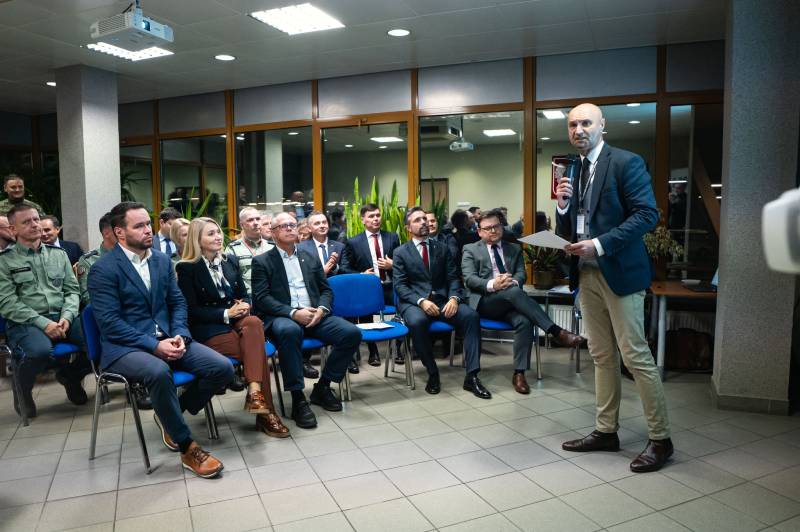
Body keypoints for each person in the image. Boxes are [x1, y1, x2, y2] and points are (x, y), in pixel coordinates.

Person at [555, 103, 672, 473]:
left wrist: (600, 244)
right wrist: (562, 207)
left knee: (635, 356)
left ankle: (661, 439)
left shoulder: (625, 162)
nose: (578, 130)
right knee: (602, 355)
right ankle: (606, 431)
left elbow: (647, 215)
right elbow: (572, 227)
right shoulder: (574, 170)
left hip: (620, 271)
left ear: (602, 125)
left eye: (586, 123)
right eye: (573, 124)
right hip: (586, 272)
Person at [88, 201, 234, 479]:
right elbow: (110, 324)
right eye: (139, 226)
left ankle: (169, 415)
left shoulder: (161, 260)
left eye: (148, 224)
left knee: (222, 368)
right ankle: (187, 446)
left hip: (169, 337)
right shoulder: (103, 269)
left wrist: (180, 334)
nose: (148, 230)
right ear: (119, 232)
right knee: (158, 371)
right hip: (125, 348)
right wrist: (154, 345)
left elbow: (177, 302)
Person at [176, 218, 289, 438]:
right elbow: (190, 311)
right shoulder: (186, 268)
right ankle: (265, 414)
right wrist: (226, 313)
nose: (218, 237)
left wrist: (244, 304)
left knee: (254, 322)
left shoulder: (229, 261)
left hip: (237, 322)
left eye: (218, 232)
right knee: (255, 352)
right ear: (197, 239)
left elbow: (243, 294)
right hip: (208, 328)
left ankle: (255, 393)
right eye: (211, 234)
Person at [251, 212, 361, 429]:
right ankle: (298, 398)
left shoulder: (309, 257)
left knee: (351, 333)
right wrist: (293, 313)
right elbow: (262, 299)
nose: (290, 228)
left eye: (292, 224)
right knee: (289, 331)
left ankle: (323, 387)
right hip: (283, 317)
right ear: (273, 232)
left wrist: (321, 309)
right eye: (284, 226)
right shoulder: (262, 261)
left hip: (314, 315)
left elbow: (325, 290)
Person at [462, 209, 584, 394]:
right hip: (485, 302)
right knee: (512, 291)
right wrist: (494, 284)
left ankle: (519, 373)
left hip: (511, 301)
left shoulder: (514, 248)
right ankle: (556, 331)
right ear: (479, 231)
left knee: (524, 321)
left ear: (501, 227)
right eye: (487, 228)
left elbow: (521, 274)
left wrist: (512, 281)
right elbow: (469, 279)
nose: (493, 231)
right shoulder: (470, 249)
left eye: (496, 226)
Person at [0, 204, 89, 418]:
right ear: (12, 229)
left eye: (36, 219)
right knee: (39, 352)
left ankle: (70, 376)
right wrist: (44, 323)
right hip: (27, 322)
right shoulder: (5, 261)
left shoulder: (59, 254)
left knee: (102, 341)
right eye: (26, 222)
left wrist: (67, 316)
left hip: (63, 317)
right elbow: (8, 302)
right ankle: (22, 389)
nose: (35, 224)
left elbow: (72, 290)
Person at [394, 207, 488, 398]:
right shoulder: (400, 252)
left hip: (443, 300)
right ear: (408, 228)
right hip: (414, 303)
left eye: (425, 219)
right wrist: (421, 301)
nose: (424, 222)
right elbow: (400, 286)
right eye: (417, 220)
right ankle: (432, 373)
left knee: (471, 316)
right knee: (417, 321)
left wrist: (454, 298)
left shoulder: (442, 248)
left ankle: (472, 376)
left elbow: (453, 278)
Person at [340, 203, 400, 371]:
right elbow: (344, 267)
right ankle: (373, 351)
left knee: (404, 308)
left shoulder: (392, 237)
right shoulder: (353, 242)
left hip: (389, 286)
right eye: (371, 216)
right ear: (363, 220)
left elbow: (402, 263)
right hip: (368, 289)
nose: (376, 219)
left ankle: (399, 350)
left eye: (378, 215)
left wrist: (392, 265)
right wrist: (361, 275)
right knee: (364, 314)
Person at [225, 207, 273, 295]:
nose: (255, 223)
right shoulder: (233, 248)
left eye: (258, 219)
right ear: (242, 225)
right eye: (250, 220)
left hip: (272, 296)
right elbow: (231, 280)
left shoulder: (272, 247)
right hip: (248, 298)